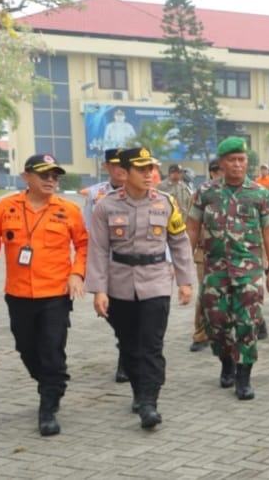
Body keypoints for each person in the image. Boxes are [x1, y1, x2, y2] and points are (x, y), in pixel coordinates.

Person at [85, 147, 195, 430]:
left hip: (156, 281)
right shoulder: (106, 206)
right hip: (119, 284)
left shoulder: (166, 202)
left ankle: (149, 403)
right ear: (125, 172)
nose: (149, 174)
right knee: (130, 345)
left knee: (151, 345)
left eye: (151, 169)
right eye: (142, 169)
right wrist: (98, 290)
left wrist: (185, 281)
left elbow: (179, 242)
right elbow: (97, 250)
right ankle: (139, 392)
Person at [0, 154, 88, 436]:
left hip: (55, 294)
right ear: (26, 177)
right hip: (18, 294)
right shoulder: (5, 207)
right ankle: (51, 382)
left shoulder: (69, 210)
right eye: (44, 175)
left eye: (55, 176)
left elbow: (83, 245)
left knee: (52, 349)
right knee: (27, 349)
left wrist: (77, 273)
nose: (51, 181)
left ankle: (48, 406)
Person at [187, 137, 269, 400]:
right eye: (232, 160)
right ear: (222, 163)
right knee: (215, 323)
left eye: (241, 160)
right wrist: (183, 263)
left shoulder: (260, 194)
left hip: (248, 271)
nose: (237, 165)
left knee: (247, 324)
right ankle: (226, 361)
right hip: (215, 270)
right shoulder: (206, 192)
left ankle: (243, 377)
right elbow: (192, 228)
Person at [82, 147, 129, 384]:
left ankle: (125, 356)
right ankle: (125, 341)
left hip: (132, 263)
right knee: (111, 310)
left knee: (131, 310)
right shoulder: (95, 194)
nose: (121, 169)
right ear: (106, 167)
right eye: (115, 164)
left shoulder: (143, 191)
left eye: (124, 164)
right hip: (104, 260)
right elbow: (87, 228)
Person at [188, 159, 222, 352]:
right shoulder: (200, 195)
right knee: (205, 293)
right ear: (211, 173)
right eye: (218, 171)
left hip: (232, 255)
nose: (222, 174)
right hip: (205, 252)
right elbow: (191, 225)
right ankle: (200, 334)